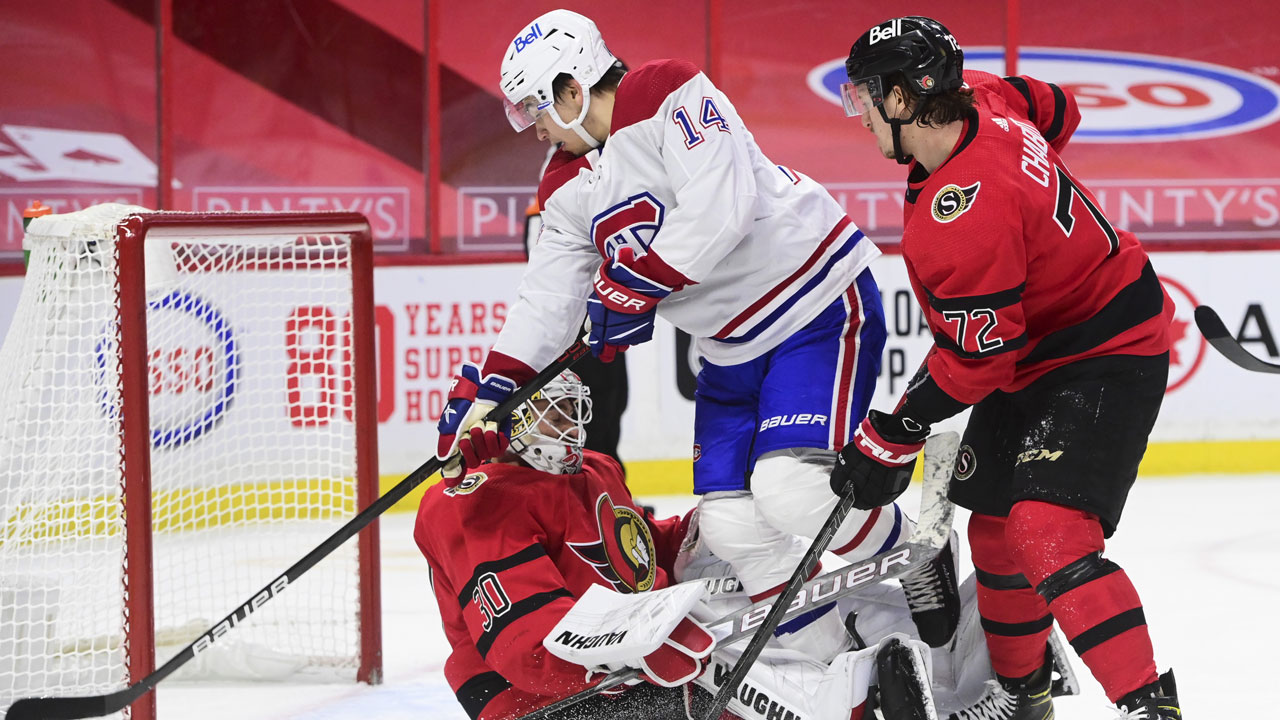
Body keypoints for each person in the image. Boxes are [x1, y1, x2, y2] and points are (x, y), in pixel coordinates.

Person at [435, 7, 961, 672]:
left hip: (813, 305)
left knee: (789, 491)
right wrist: (488, 391)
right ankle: (836, 674)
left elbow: (723, 201)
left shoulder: (664, 91)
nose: (533, 125)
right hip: (728, 347)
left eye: (536, 106)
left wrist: (636, 284)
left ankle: (921, 546)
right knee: (730, 524)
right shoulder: (564, 188)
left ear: (572, 89)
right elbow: (548, 302)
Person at [832, 16, 1180, 719]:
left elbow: (977, 360)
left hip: (1105, 354)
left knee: (1045, 531)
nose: (859, 112)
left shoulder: (968, 212)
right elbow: (1058, 106)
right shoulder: (986, 96)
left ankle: (1150, 708)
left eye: (866, 95)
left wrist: (891, 433)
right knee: (992, 530)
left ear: (903, 99)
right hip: (1038, 352)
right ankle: (1027, 696)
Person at [416, 369, 956, 720]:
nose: (571, 429)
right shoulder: (471, 503)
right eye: (552, 414)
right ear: (507, 419)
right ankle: (852, 698)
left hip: (626, 652)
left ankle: (943, 650)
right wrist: (633, 652)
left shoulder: (593, 471)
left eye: (575, 413)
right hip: (546, 700)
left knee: (743, 558)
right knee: (718, 666)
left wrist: (704, 531)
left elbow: (635, 560)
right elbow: (523, 642)